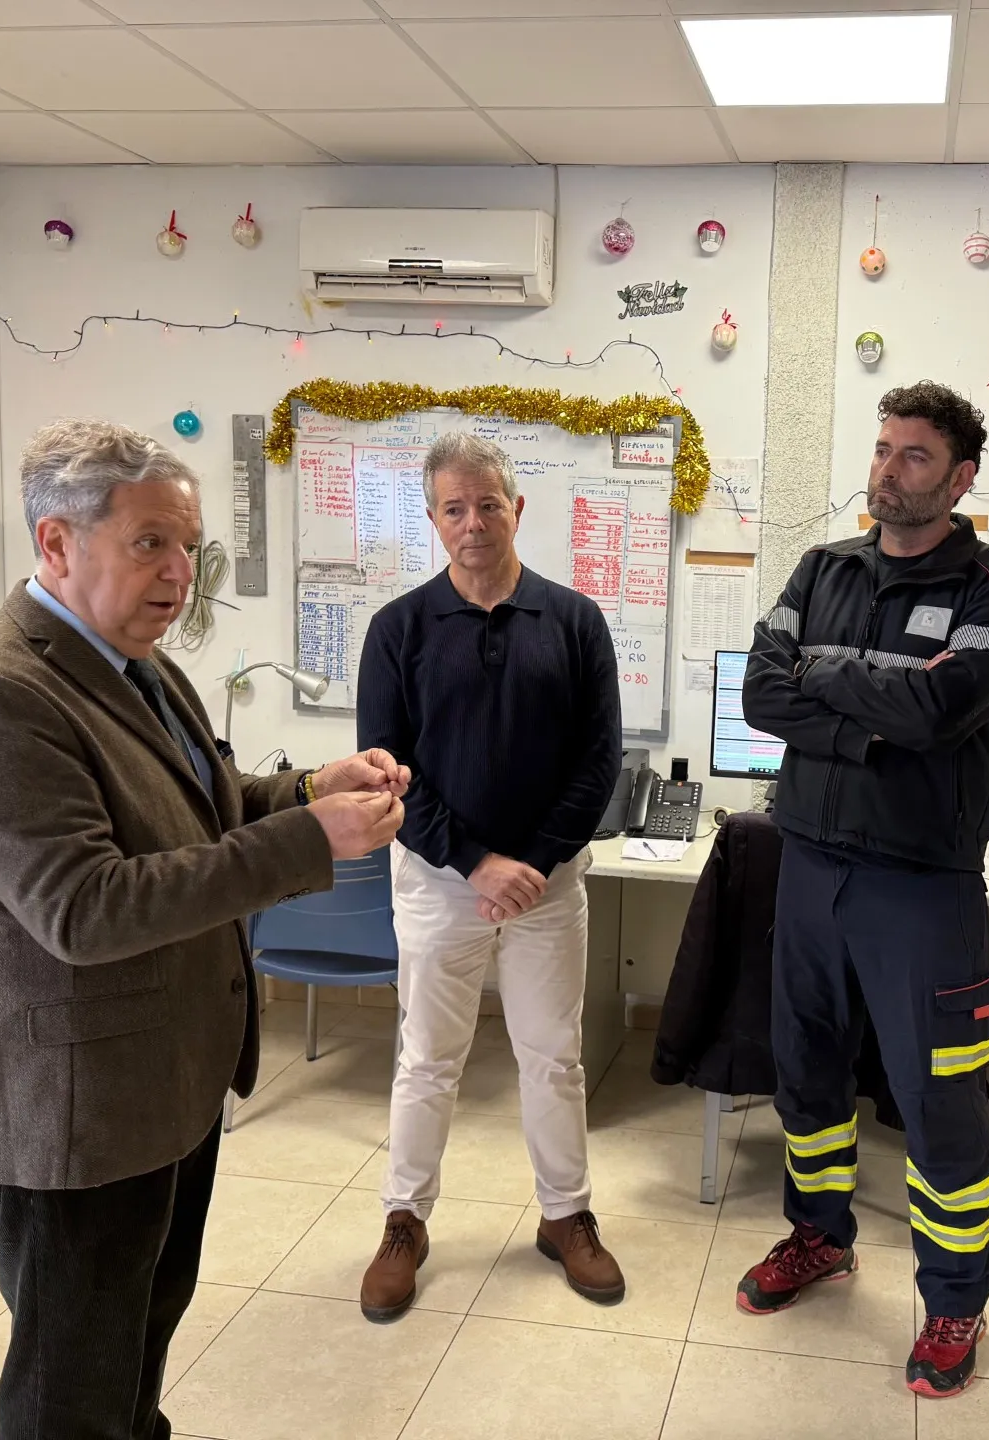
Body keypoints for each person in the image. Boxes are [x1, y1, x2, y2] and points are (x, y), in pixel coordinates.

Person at [0, 419, 409, 1439]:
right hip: (69, 1120)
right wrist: (312, 839)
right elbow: (86, 909)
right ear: (56, 543)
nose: (181, 573)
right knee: (72, 1393)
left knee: (134, 1349)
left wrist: (309, 786)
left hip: (160, 1088)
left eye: (189, 547)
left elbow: (203, 807)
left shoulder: (136, 662)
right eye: (151, 543)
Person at [740, 382, 989, 1399]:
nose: (887, 469)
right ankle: (818, 1237)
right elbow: (758, 691)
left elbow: (944, 709)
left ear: (959, 478)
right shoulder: (823, 567)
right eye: (881, 449)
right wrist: (873, 716)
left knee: (940, 1097)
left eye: (914, 456)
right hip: (811, 860)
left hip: (921, 885)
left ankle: (957, 1298)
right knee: (809, 1075)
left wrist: (830, 685)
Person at [356, 431, 624, 1321]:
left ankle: (565, 1217)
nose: (473, 523)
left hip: (548, 889)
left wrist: (532, 865)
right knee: (428, 1059)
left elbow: (598, 764)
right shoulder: (398, 630)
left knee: (554, 1058)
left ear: (519, 508)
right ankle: (404, 1222)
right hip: (439, 883)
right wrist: (477, 861)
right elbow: (389, 773)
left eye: (488, 504)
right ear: (433, 520)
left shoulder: (576, 621)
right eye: (453, 509)